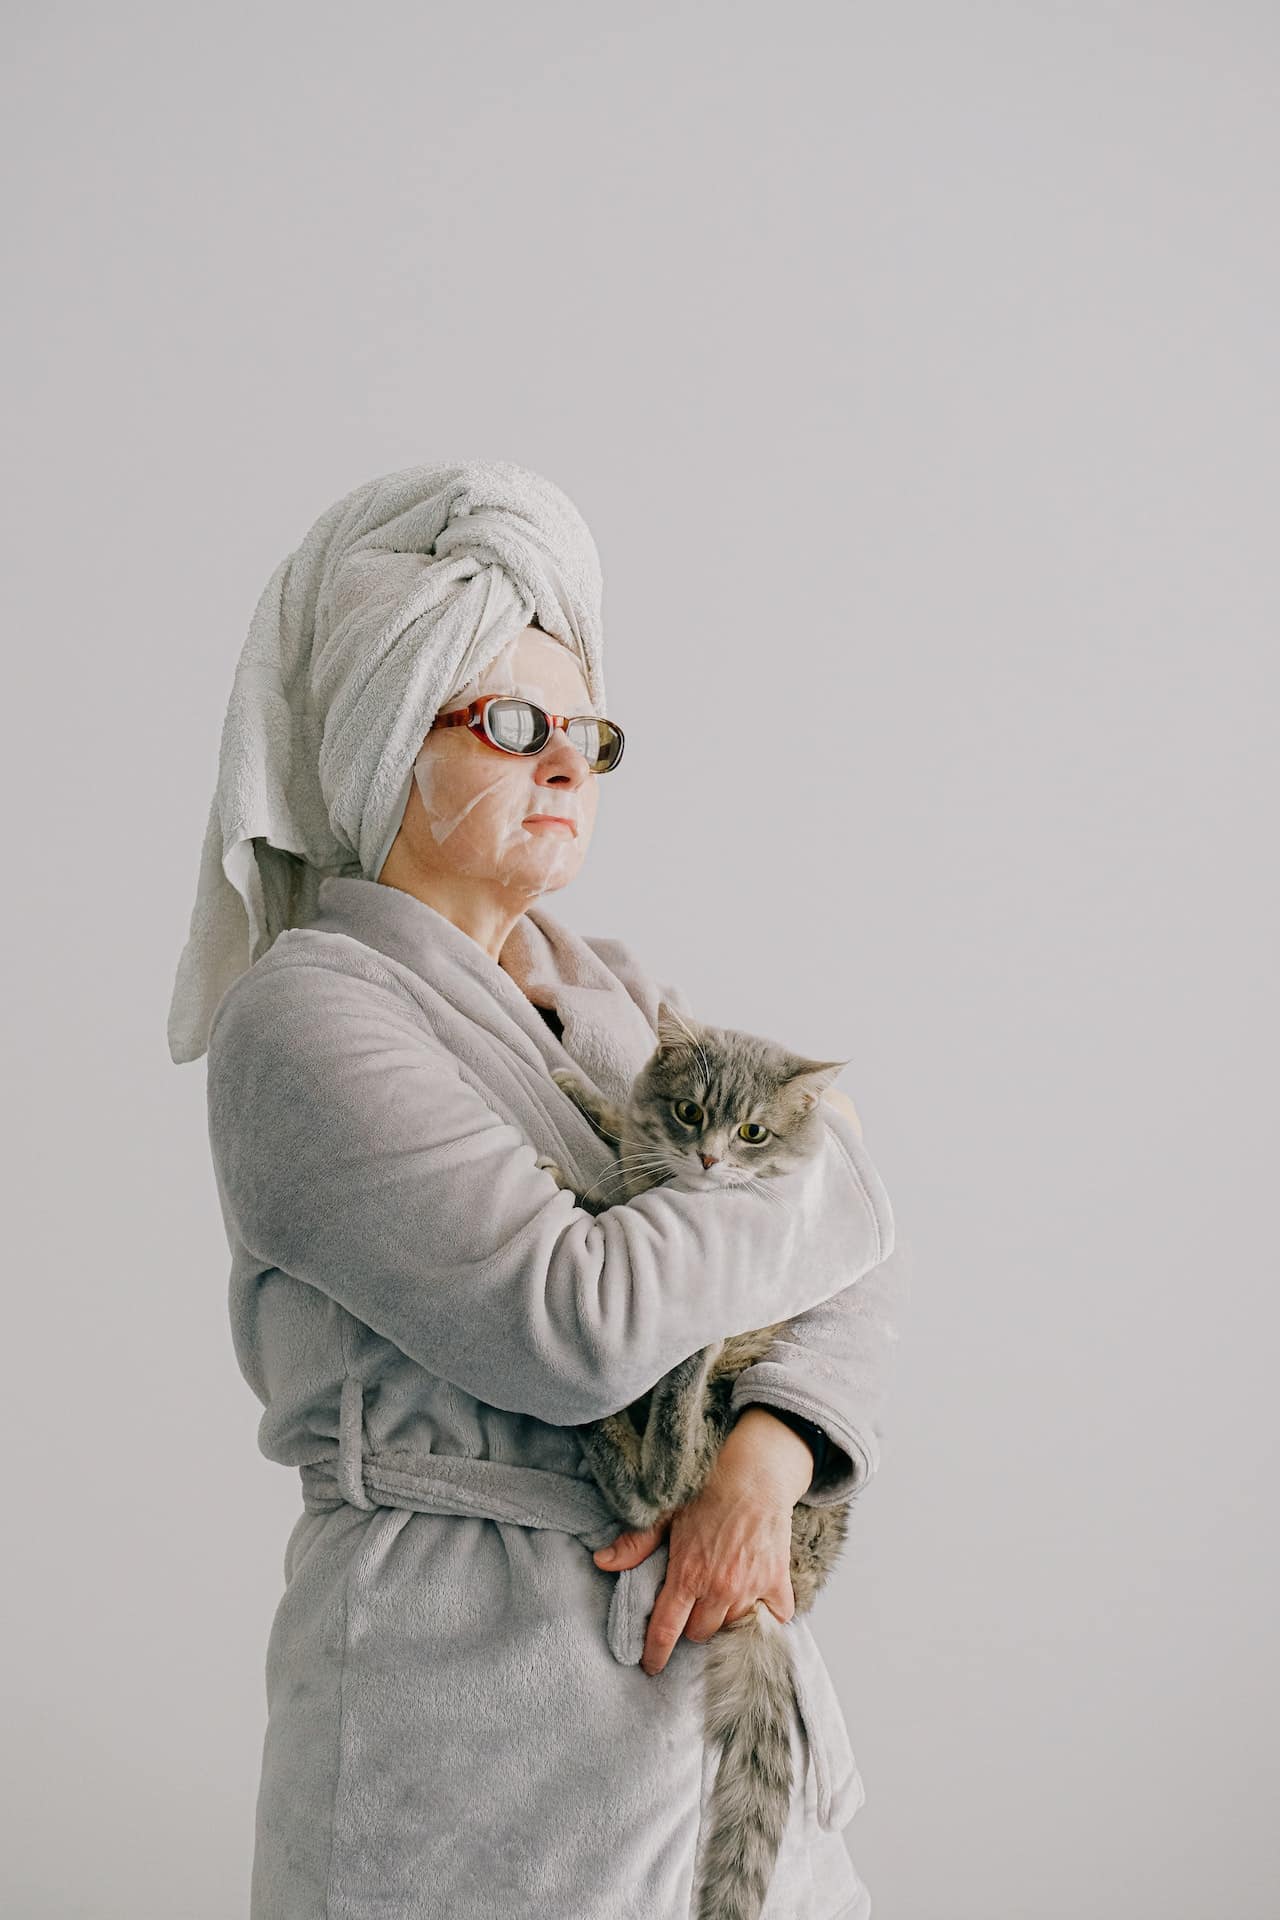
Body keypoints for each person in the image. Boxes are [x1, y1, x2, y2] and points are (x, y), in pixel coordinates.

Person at [169, 461, 907, 1920]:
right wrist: (813, 1204)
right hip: (474, 1735)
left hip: (716, 1721)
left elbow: (860, 1257)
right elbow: (571, 1324)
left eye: (587, 733)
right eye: (512, 725)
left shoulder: (616, 995)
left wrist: (764, 1461)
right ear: (386, 738)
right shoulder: (309, 1018)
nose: (567, 765)